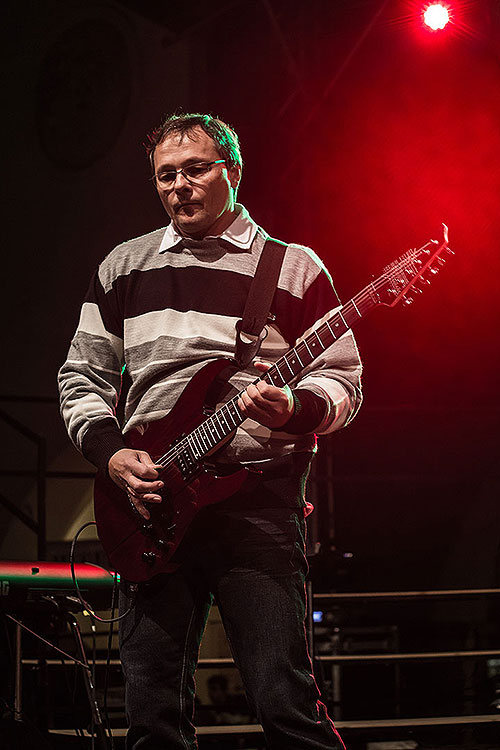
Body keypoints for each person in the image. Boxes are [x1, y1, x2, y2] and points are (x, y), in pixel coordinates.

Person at [58, 112, 362, 750]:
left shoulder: (294, 268)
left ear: (233, 170)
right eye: (165, 176)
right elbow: (80, 377)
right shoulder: (123, 266)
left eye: (195, 169)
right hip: (149, 504)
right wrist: (113, 458)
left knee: (287, 708)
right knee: (153, 720)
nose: (178, 186)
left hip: (257, 504)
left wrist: (295, 409)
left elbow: (344, 385)